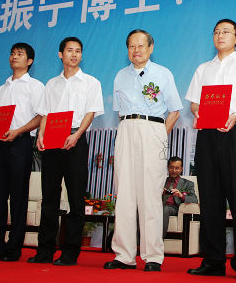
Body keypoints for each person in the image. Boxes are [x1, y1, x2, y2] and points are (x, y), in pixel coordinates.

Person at [185, 19, 236, 280]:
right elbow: (194, 103)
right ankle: (213, 261)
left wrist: (235, 114)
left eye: (226, 32)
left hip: (235, 132)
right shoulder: (203, 69)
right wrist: (198, 113)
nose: (220, 35)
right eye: (216, 32)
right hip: (207, 135)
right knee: (210, 200)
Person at [104, 29, 182, 272]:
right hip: (126, 128)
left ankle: (153, 257)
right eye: (131, 46)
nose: (136, 50)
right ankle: (124, 255)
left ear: (150, 48)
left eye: (141, 46)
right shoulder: (120, 76)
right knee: (125, 193)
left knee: (151, 194)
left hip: (153, 128)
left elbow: (175, 111)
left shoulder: (163, 73)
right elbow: (119, 111)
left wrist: (160, 136)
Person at [27, 37, 104, 266]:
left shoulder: (91, 82)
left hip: (75, 140)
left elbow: (90, 113)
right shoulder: (51, 84)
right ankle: (45, 251)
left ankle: (70, 252)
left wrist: (77, 135)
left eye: (78, 51)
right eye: (70, 50)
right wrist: (41, 135)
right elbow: (45, 113)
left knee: (75, 199)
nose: (74, 54)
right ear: (61, 54)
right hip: (51, 140)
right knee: (49, 198)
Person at [0, 43, 44, 262]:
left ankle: (13, 249)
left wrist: (18, 131)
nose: (14, 57)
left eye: (20, 54)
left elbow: (40, 117)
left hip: (20, 143)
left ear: (29, 61)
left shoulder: (35, 86)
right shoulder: (1, 89)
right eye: (12, 53)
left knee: (18, 197)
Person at [162, 156, 198, 238]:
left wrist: (181, 195)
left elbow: (194, 200)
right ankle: (139, 242)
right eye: (171, 167)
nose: (174, 170)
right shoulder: (162, 181)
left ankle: (159, 241)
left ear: (181, 169)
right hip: (159, 206)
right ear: (168, 168)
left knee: (165, 209)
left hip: (174, 208)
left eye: (177, 168)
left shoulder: (188, 183)